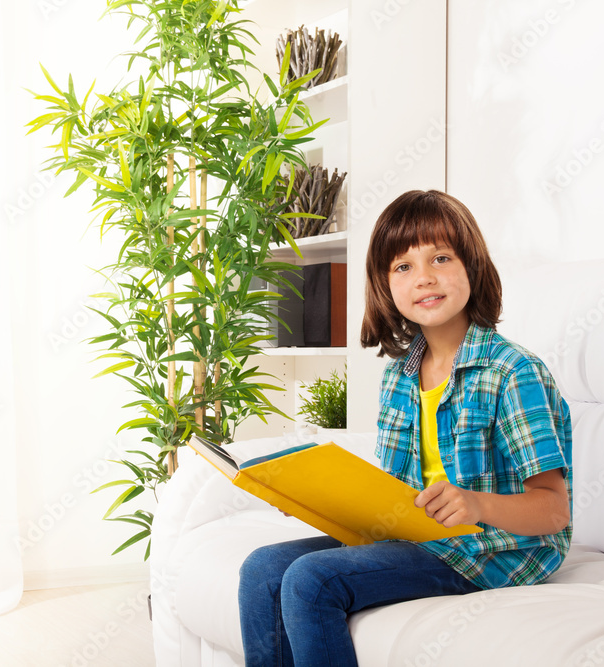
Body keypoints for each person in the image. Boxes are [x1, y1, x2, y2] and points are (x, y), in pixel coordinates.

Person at [238, 190, 573, 666]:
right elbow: (393, 496)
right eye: (403, 267)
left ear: (472, 267)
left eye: (440, 257)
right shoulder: (400, 375)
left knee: (312, 581)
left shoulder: (513, 371)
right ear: (384, 285)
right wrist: (316, 501)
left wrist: (474, 503)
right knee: (264, 569)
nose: (425, 278)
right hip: (419, 534)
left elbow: (554, 511)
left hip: (494, 549)